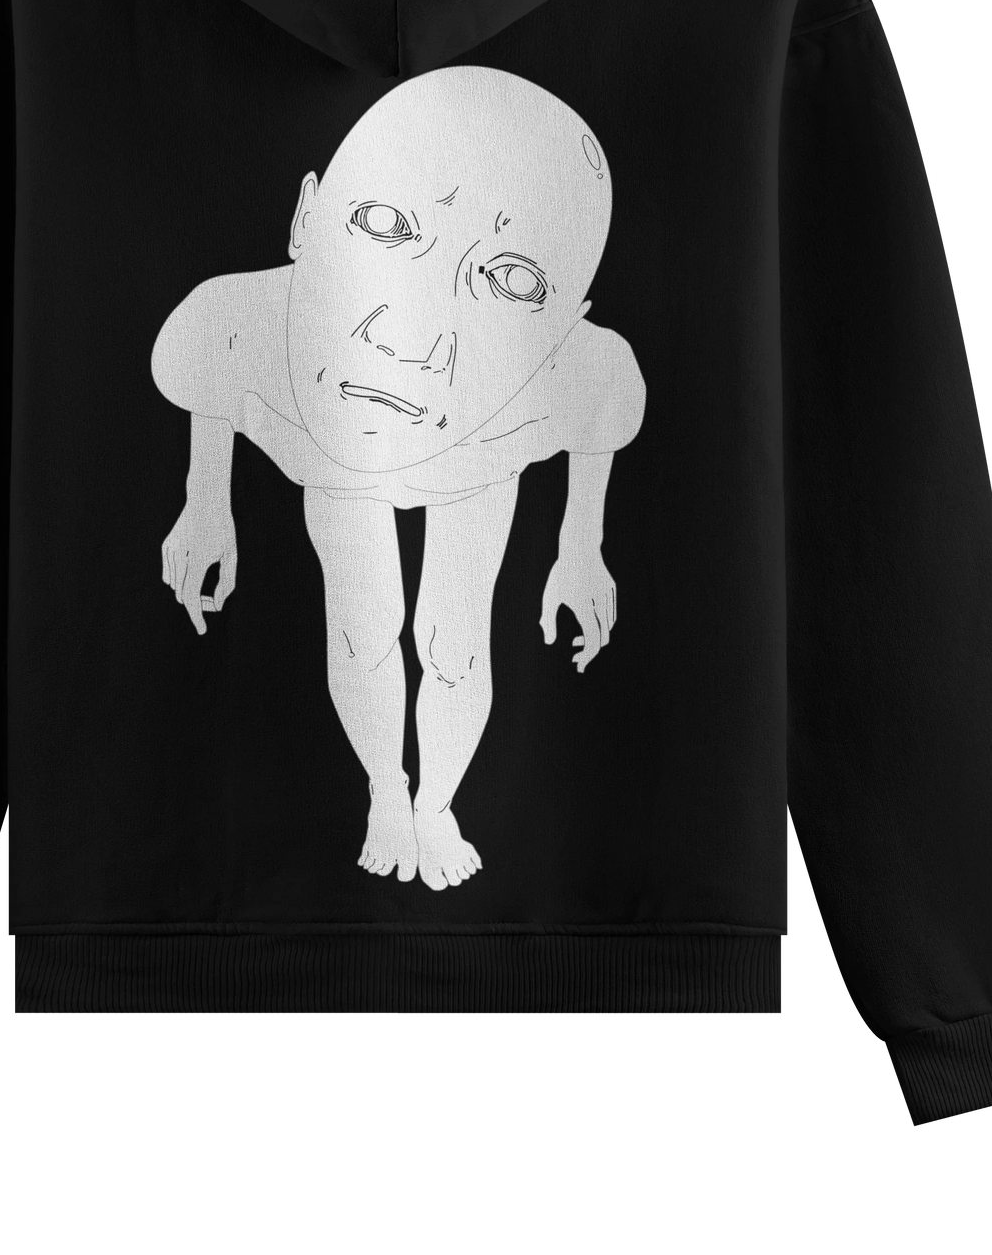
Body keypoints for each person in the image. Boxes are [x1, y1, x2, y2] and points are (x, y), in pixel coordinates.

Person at [151, 64, 646, 889]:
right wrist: (206, 505)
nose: (409, 340)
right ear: (306, 218)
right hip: (330, 434)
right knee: (363, 624)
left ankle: (436, 805)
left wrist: (581, 547)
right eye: (384, 225)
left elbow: (604, 412)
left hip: (471, 452)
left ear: (565, 327)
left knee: (454, 642)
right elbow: (212, 369)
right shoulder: (234, 324)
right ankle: (388, 790)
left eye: (513, 280)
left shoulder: (577, 374)